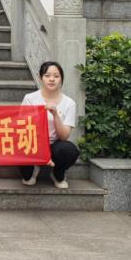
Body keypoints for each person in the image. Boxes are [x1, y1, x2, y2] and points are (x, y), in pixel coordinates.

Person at [20, 61, 80, 189]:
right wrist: (40, 152)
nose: (52, 79)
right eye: (47, 75)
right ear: (41, 78)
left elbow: (64, 136)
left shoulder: (69, 103)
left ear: (61, 79)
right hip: (33, 144)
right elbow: (23, 128)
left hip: (54, 145)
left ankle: (57, 173)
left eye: (56, 76)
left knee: (69, 150)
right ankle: (33, 169)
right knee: (27, 178)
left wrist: (55, 114)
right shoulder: (30, 99)